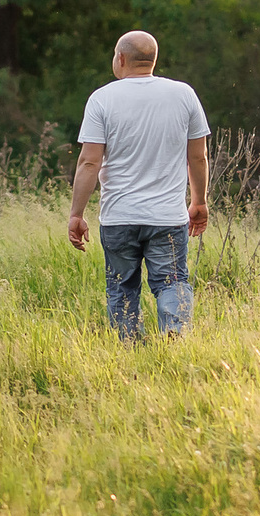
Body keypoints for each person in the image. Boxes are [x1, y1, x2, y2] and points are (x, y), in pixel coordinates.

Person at [67, 30, 211, 340]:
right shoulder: (183, 94)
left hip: (119, 218)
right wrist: (199, 201)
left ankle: (130, 351)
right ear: (152, 60)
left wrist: (76, 213)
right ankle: (174, 333)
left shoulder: (102, 98)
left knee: (121, 287)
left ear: (120, 59)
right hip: (168, 218)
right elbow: (198, 157)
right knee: (172, 282)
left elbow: (89, 162)